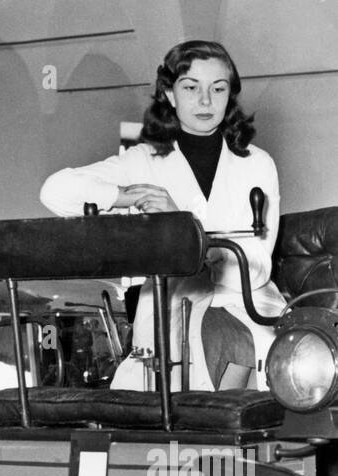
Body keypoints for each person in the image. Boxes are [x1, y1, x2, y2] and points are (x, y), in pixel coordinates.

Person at [40, 39, 282, 391]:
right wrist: (122, 196)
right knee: (158, 403)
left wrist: (182, 225)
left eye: (218, 88)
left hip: (246, 305)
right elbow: (55, 191)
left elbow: (255, 268)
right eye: (190, 87)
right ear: (170, 94)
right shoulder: (144, 161)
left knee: (230, 361)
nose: (205, 101)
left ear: (230, 95)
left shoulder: (257, 163)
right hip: (168, 308)